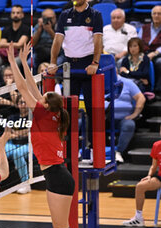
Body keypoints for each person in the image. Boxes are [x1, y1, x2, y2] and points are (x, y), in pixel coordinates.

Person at [8, 42, 73, 228]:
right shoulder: (54, 113)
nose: (40, 97)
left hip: (58, 176)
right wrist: (23, 60)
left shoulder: (42, 114)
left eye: (43, 97)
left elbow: (22, 86)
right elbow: (32, 87)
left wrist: (12, 61)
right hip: (56, 175)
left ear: (45, 105)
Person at [48, 0, 103, 151]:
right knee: (68, 111)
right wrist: (52, 62)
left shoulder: (95, 15)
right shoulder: (65, 15)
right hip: (69, 67)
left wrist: (95, 62)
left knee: (93, 110)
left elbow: (98, 40)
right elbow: (57, 40)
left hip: (88, 66)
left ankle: (94, 149)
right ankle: (71, 150)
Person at [122, 133, 161, 227]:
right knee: (140, 186)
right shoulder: (157, 145)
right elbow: (154, 165)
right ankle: (138, 218)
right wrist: (149, 175)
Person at [106, 74, 146, 163]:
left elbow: (141, 98)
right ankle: (88, 150)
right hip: (103, 117)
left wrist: (135, 114)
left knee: (129, 125)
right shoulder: (99, 81)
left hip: (123, 118)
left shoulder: (127, 82)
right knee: (82, 122)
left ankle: (118, 152)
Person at [0, 5, 30, 82]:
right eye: (13, 13)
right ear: (11, 14)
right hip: (5, 53)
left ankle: (15, 83)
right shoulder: (6, 29)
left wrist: (7, 44)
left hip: (20, 54)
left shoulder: (26, 29)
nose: (15, 15)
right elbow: (1, 44)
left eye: (18, 13)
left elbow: (20, 45)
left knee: (14, 63)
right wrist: (14, 44)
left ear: (22, 15)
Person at [138, 5, 161, 94]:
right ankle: (142, 88)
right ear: (151, 15)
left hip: (157, 53)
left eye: (159, 14)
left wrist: (155, 53)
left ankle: (158, 90)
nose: (156, 15)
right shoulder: (144, 27)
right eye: (154, 13)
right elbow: (138, 41)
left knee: (159, 62)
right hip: (144, 52)